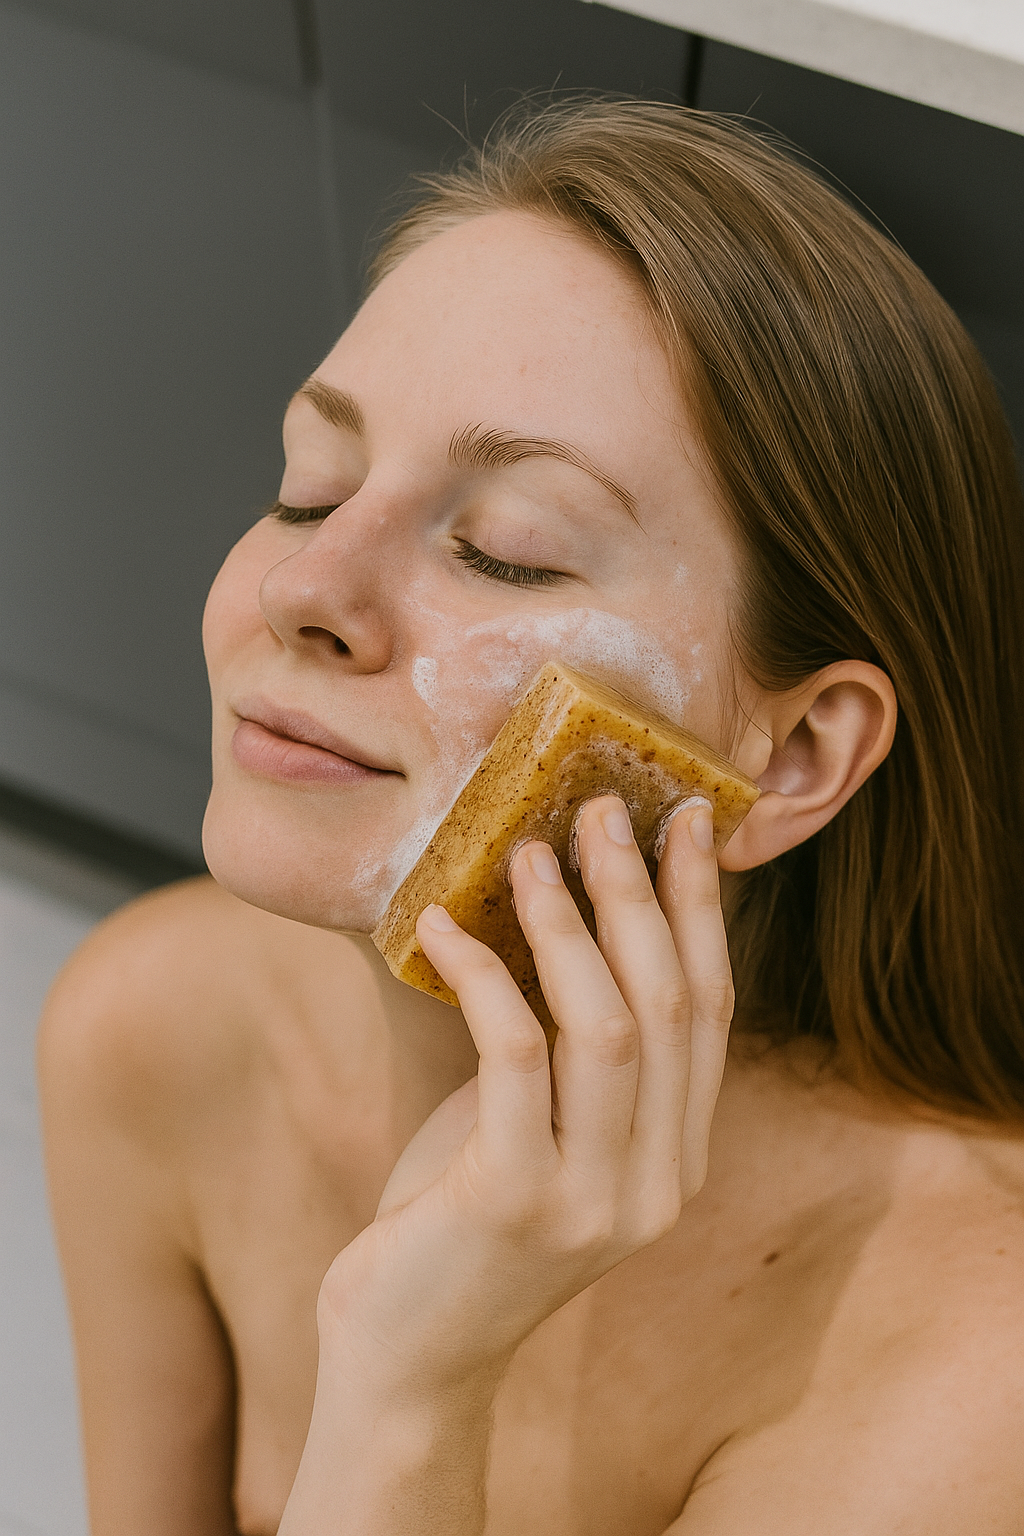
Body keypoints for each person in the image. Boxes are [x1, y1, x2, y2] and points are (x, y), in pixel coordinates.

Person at [39, 99, 1024, 1536]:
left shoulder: (964, 1355)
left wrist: (407, 1388)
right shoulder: (154, 1028)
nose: (302, 592)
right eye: (310, 491)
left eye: (504, 553)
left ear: (800, 755)